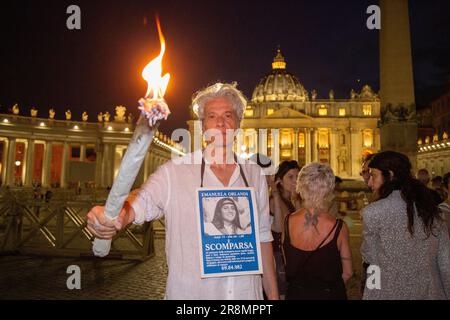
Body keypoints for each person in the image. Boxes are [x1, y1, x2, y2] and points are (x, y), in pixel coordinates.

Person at [87, 82, 278, 300]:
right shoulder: (174, 172)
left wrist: (272, 296)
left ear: (238, 124)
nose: (221, 124)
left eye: (228, 115)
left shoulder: (254, 174)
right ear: (203, 126)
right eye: (212, 117)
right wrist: (120, 214)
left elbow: (262, 239)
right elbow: (142, 200)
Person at [362, 151, 450, 299]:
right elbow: (446, 264)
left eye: (373, 176)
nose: (370, 182)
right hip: (430, 293)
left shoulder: (372, 213)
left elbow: (373, 265)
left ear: (389, 175)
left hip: (391, 294)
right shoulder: (431, 210)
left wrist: (370, 295)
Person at [283, 162, 353, 300]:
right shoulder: (339, 227)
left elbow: (287, 264)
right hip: (329, 295)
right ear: (329, 189)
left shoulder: (287, 221)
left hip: (296, 295)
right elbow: (348, 273)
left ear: (300, 187)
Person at [269, 160, 300, 298]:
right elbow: (282, 228)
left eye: (298, 177)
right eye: (291, 177)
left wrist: (298, 198)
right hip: (278, 256)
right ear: (280, 180)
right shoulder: (275, 201)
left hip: (288, 255)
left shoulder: (291, 200)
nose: (295, 181)